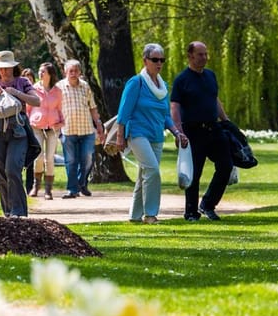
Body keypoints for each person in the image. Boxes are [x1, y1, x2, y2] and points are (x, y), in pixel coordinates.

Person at [112, 44, 185, 224]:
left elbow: (166, 115)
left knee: (143, 174)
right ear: (145, 61)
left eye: (162, 60)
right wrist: (120, 137)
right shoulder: (136, 82)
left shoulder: (163, 86)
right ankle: (150, 214)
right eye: (155, 60)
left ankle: (135, 216)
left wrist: (177, 132)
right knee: (152, 171)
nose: (159, 63)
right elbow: (124, 112)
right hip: (137, 134)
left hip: (156, 136)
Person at [170, 41, 234, 221]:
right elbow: (174, 106)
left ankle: (208, 204)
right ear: (190, 56)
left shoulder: (210, 76)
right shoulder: (182, 79)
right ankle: (191, 212)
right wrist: (178, 132)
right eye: (200, 54)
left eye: (206, 54)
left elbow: (215, 100)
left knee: (226, 165)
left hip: (213, 129)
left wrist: (226, 121)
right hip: (192, 131)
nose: (204, 57)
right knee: (194, 172)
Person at [0, 51, 41, 217]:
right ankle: (8, 212)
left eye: (7, 68)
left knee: (12, 170)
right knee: (0, 172)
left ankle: (19, 212)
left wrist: (16, 93)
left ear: (14, 67)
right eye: (1, 68)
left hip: (18, 131)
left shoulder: (23, 82)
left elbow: (36, 101)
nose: (4, 71)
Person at [57, 59, 105, 199]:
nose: (73, 73)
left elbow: (93, 107)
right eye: (70, 71)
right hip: (68, 130)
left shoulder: (85, 86)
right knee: (71, 161)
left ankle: (82, 183)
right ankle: (73, 190)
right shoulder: (59, 87)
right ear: (65, 72)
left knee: (88, 159)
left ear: (79, 72)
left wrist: (99, 125)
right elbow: (55, 108)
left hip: (87, 130)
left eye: (75, 71)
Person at [28, 62, 64, 200]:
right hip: (36, 126)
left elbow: (60, 109)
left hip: (52, 128)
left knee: (49, 159)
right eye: (39, 71)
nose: (40, 73)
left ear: (50, 74)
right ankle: (36, 187)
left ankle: (48, 190)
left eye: (43, 71)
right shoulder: (33, 89)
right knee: (38, 157)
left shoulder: (57, 91)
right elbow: (28, 109)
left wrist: (61, 122)